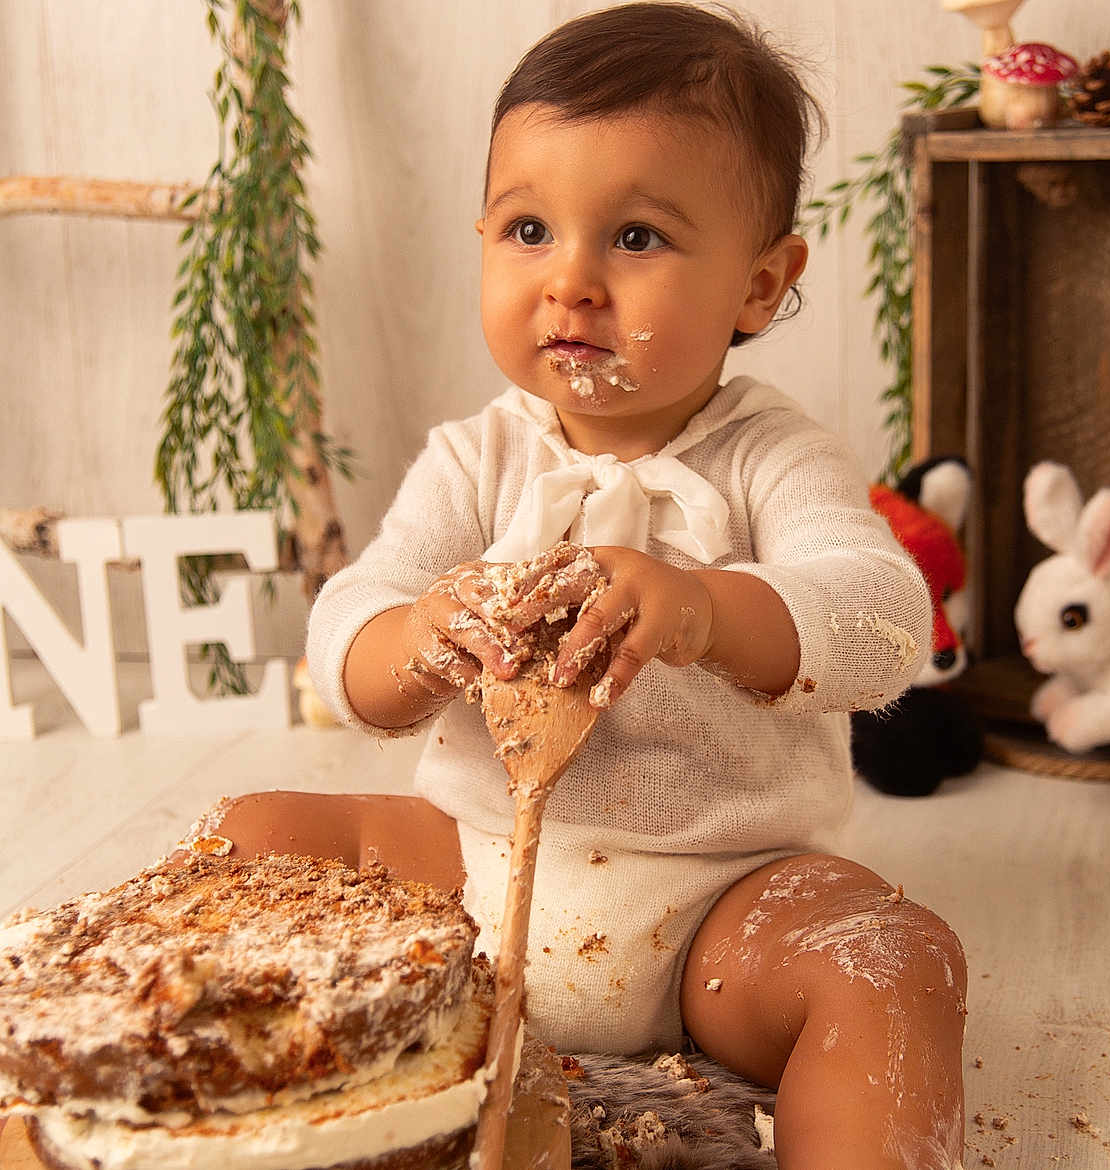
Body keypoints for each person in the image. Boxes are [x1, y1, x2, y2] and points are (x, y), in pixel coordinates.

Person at [214, 5, 968, 1166]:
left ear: (760, 284)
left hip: (718, 906)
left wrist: (709, 609)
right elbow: (350, 633)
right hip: (463, 879)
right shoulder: (475, 460)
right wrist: (419, 635)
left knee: (895, 963)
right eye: (528, 229)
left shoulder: (774, 457)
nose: (570, 281)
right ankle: (204, 1109)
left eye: (636, 238)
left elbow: (883, 617)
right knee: (248, 837)